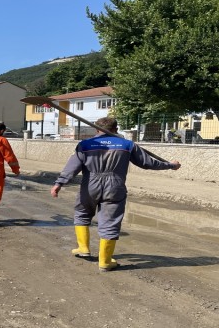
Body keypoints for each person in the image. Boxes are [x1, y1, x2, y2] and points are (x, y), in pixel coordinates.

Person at [51, 117, 181, 272]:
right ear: (116, 129)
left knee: (82, 213)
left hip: (90, 185)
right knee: (110, 221)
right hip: (115, 186)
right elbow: (148, 163)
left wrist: (59, 183)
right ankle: (105, 261)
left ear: (96, 129)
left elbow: (71, 167)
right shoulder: (127, 145)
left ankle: (83, 248)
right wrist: (170, 165)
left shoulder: (84, 145)